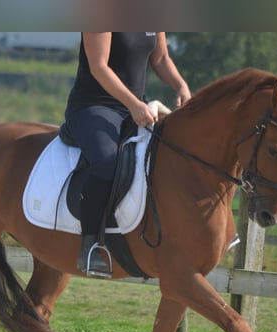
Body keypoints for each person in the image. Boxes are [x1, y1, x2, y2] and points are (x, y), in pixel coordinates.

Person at [64, 32, 191, 277]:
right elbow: (99, 67)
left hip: (136, 107)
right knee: (107, 163)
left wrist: (181, 86)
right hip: (94, 107)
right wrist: (133, 104)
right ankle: (90, 245)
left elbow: (161, 58)